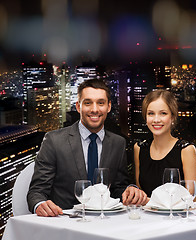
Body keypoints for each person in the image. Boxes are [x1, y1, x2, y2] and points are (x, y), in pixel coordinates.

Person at [27, 79, 148, 217]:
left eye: (100, 103)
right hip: (66, 222)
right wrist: (39, 204)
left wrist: (129, 190)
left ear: (108, 107)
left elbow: (117, 188)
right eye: (88, 103)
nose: (94, 109)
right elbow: (36, 192)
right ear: (78, 107)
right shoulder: (54, 140)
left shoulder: (118, 143)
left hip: (105, 222)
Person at [134, 89, 196, 200]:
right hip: (149, 215)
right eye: (151, 113)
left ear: (172, 117)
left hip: (181, 216)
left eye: (163, 113)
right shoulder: (139, 148)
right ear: (145, 117)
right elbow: (140, 192)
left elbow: (191, 199)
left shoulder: (186, 150)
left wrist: (150, 202)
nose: (156, 119)